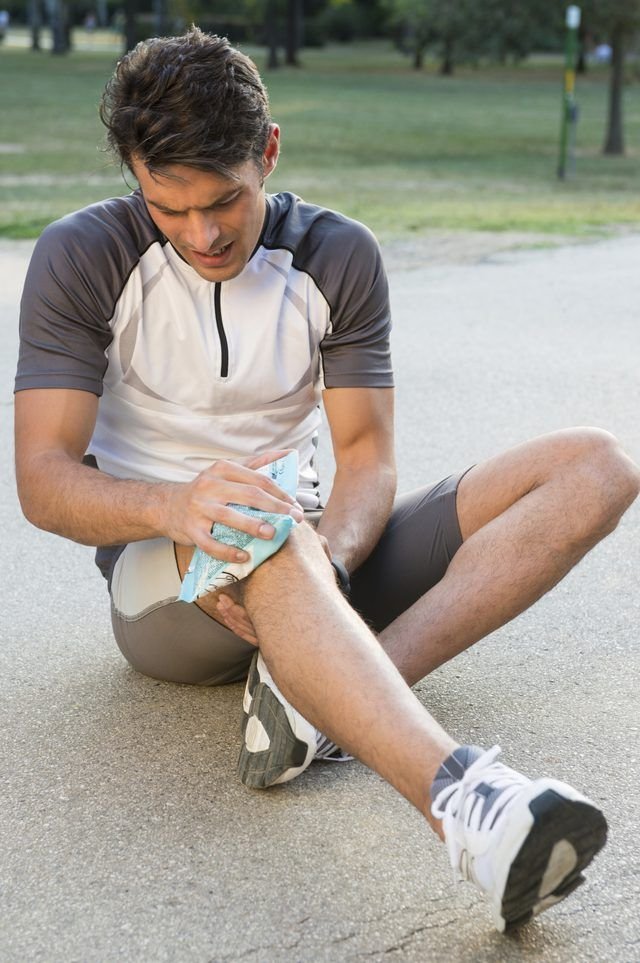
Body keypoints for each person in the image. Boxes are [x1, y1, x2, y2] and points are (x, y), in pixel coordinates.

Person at [14, 28, 639, 932]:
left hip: (312, 549)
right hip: (167, 583)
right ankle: (470, 807)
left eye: (225, 199)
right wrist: (178, 506)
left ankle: (319, 703)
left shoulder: (337, 253)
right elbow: (42, 479)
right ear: (135, 179)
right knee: (264, 527)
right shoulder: (83, 256)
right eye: (169, 208)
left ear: (267, 152)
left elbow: (369, 457)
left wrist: (333, 562)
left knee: (599, 468)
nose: (204, 233)